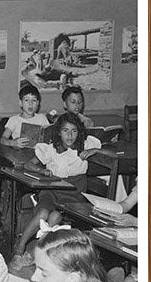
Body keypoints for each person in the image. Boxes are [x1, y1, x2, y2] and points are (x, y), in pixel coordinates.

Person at [7, 112, 103, 269]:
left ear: (79, 132)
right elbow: (28, 165)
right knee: (44, 213)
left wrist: (95, 151)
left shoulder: (86, 146)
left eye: (74, 131)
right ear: (59, 132)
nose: (70, 135)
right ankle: (20, 246)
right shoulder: (51, 149)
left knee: (55, 216)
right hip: (51, 190)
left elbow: (112, 154)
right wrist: (41, 171)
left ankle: (35, 254)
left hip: (74, 194)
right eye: (65, 131)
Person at [0, 82, 50, 148]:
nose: (30, 104)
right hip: (20, 154)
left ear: (38, 103)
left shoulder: (42, 118)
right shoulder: (14, 120)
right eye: (26, 100)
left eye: (34, 100)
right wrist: (13, 143)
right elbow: (2, 140)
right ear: (20, 103)